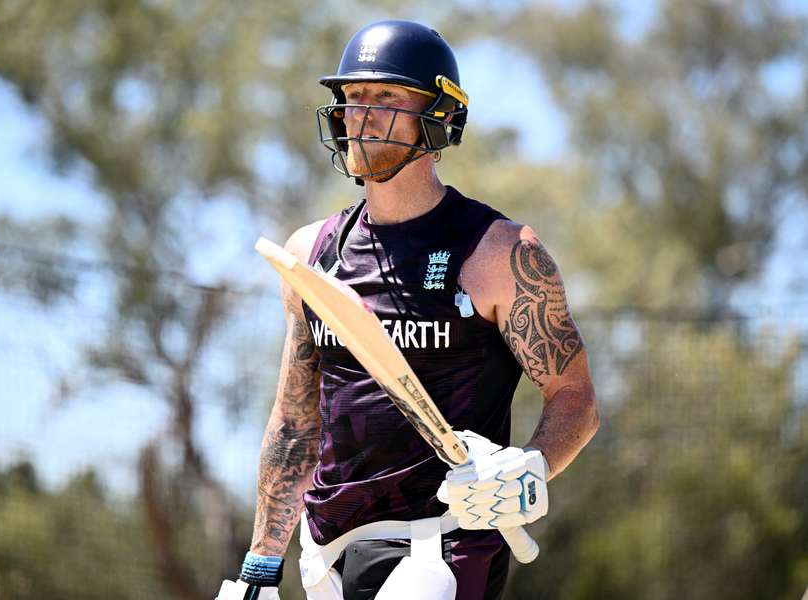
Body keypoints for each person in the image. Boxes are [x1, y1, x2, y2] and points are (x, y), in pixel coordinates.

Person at [218, 19, 599, 600]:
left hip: (444, 543)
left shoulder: (498, 253)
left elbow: (576, 398)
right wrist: (261, 565)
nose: (360, 114)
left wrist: (531, 468)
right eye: (352, 97)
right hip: (326, 551)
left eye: (386, 97)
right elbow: (296, 422)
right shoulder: (311, 254)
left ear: (438, 117)